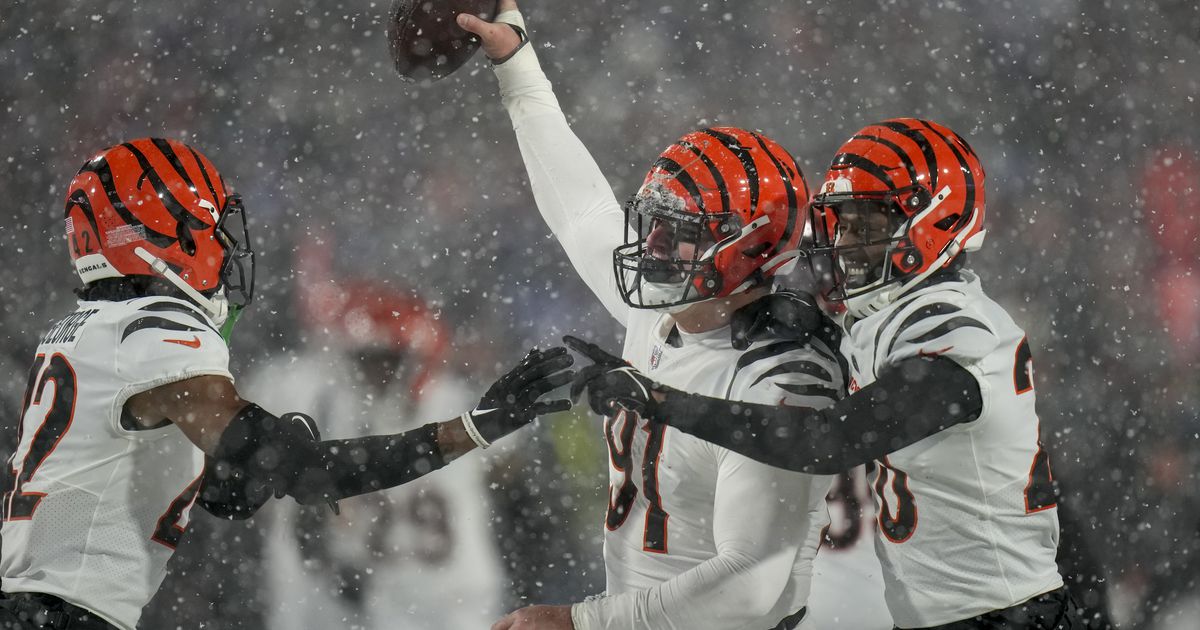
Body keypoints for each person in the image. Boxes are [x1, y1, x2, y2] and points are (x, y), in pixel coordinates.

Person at [0, 138, 573, 630]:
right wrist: (470, 428)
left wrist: (245, 465)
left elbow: (225, 487)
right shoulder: (160, 336)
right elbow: (310, 473)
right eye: (210, 227)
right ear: (164, 234)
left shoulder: (76, 334)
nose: (225, 247)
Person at [571, 119, 1081, 628]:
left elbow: (827, 442)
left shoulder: (959, 330)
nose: (843, 245)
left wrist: (662, 401)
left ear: (937, 220)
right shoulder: (887, 313)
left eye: (866, 228)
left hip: (1005, 615)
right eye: (841, 225)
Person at [459, 5, 846, 630]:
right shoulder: (666, 312)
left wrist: (580, 622)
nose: (655, 245)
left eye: (681, 231)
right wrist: (516, 64)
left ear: (750, 244)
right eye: (655, 222)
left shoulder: (781, 378)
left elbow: (749, 585)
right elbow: (580, 211)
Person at [246, 279, 507, 629]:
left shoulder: (455, 405)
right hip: (341, 604)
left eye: (386, 362)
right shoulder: (318, 405)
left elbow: (514, 472)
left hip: (443, 605)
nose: (375, 375)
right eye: (366, 361)